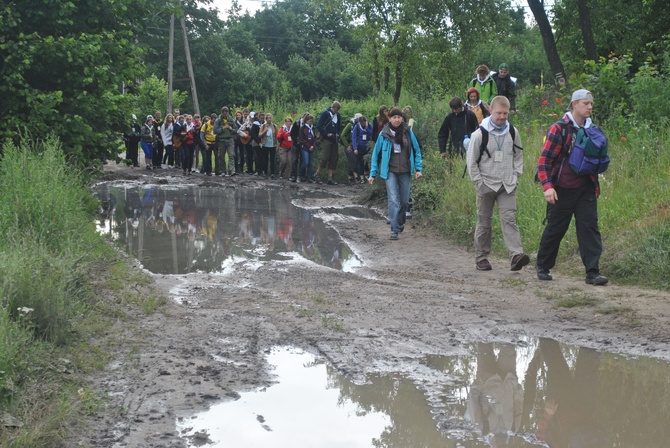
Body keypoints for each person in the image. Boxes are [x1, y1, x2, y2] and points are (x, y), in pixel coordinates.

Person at [536, 89, 609, 285]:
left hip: (586, 187)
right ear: (574, 104)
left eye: (591, 104)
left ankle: (592, 272)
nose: (590, 107)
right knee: (556, 228)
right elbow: (544, 161)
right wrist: (548, 187)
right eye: (586, 103)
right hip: (562, 188)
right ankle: (543, 266)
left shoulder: (592, 129)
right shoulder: (559, 128)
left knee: (589, 228)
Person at [466, 96, 529, 272]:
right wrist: (479, 183)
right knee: (484, 222)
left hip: (507, 185)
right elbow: (471, 162)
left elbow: (518, 155)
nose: (502, 117)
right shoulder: (479, 134)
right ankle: (481, 257)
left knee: (509, 219)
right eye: (498, 113)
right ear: (491, 111)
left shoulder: (512, 132)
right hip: (486, 184)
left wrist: (516, 175)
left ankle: (516, 255)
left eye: (505, 113)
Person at [368, 107, 423, 240]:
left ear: (402, 119)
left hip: (405, 170)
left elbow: (417, 150)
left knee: (404, 201)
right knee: (393, 200)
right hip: (390, 171)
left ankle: (400, 221)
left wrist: (418, 169)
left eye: (399, 117)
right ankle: (394, 229)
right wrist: (372, 173)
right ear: (389, 119)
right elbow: (376, 154)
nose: (397, 120)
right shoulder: (384, 134)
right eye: (394, 117)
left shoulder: (408, 132)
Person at [315, 101, 342, 185]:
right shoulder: (325, 114)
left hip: (334, 139)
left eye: (337, 110)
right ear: (332, 107)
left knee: (334, 158)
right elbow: (319, 125)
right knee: (325, 157)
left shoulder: (338, 115)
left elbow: (339, 126)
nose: (336, 111)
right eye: (335, 109)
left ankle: (330, 178)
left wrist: (338, 133)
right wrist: (326, 133)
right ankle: (317, 174)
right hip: (326, 139)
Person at [214, 106, 238, 176]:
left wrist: (231, 129)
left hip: (230, 140)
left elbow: (236, 130)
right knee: (221, 156)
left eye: (226, 111)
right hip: (221, 140)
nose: (225, 113)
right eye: (224, 112)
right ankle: (223, 171)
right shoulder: (218, 120)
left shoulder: (231, 120)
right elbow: (215, 131)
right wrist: (223, 128)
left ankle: (231, 171)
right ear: (221, 112)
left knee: (231, 155)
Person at [340, 113, 362, 183]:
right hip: (349, 146)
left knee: (354, 161)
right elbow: (342, 135)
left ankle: (350, 177)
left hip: (356, 146)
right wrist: (347, 145)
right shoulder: (350, 125)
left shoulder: (361, 126)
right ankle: (356, 177)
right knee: (352, 161)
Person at [352, 115, 373, 183]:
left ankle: (366, 175)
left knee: (367, 162)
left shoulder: (369, 125)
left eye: (364, 122)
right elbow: (354, 138)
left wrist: (366, 128)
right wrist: (355, 148)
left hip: (367, 147)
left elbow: (372, 134)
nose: (363, 124)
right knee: (360, 162)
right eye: (361, 123)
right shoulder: (357, 127)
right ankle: (362, 178)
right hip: (360, 147)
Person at [259, 113, 278, 179]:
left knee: (272, 160)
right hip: (265, 145)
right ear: (266, 119)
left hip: (272, 145)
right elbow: (259, 135)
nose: (269, 119)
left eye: (270, 118)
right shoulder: (263, 126)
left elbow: (277, 137)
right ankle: (265, 172)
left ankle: (272, 173)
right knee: (265, 159)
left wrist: (277, 146)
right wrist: (264, 131)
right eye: (268, 118)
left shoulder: (275, 126)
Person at [299, 114, 317, 183]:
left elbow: (315, 138)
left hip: (312, 147)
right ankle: (300, 174)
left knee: (310, 163)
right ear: (306, 121)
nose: (311, 123)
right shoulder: (302, 128)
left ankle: (309, 177)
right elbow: (302, 139)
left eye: (312, 121)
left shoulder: (313, 128)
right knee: (305, 162)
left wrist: (313, 145)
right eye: (310, 121)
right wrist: (309, 146)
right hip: (305, 147)